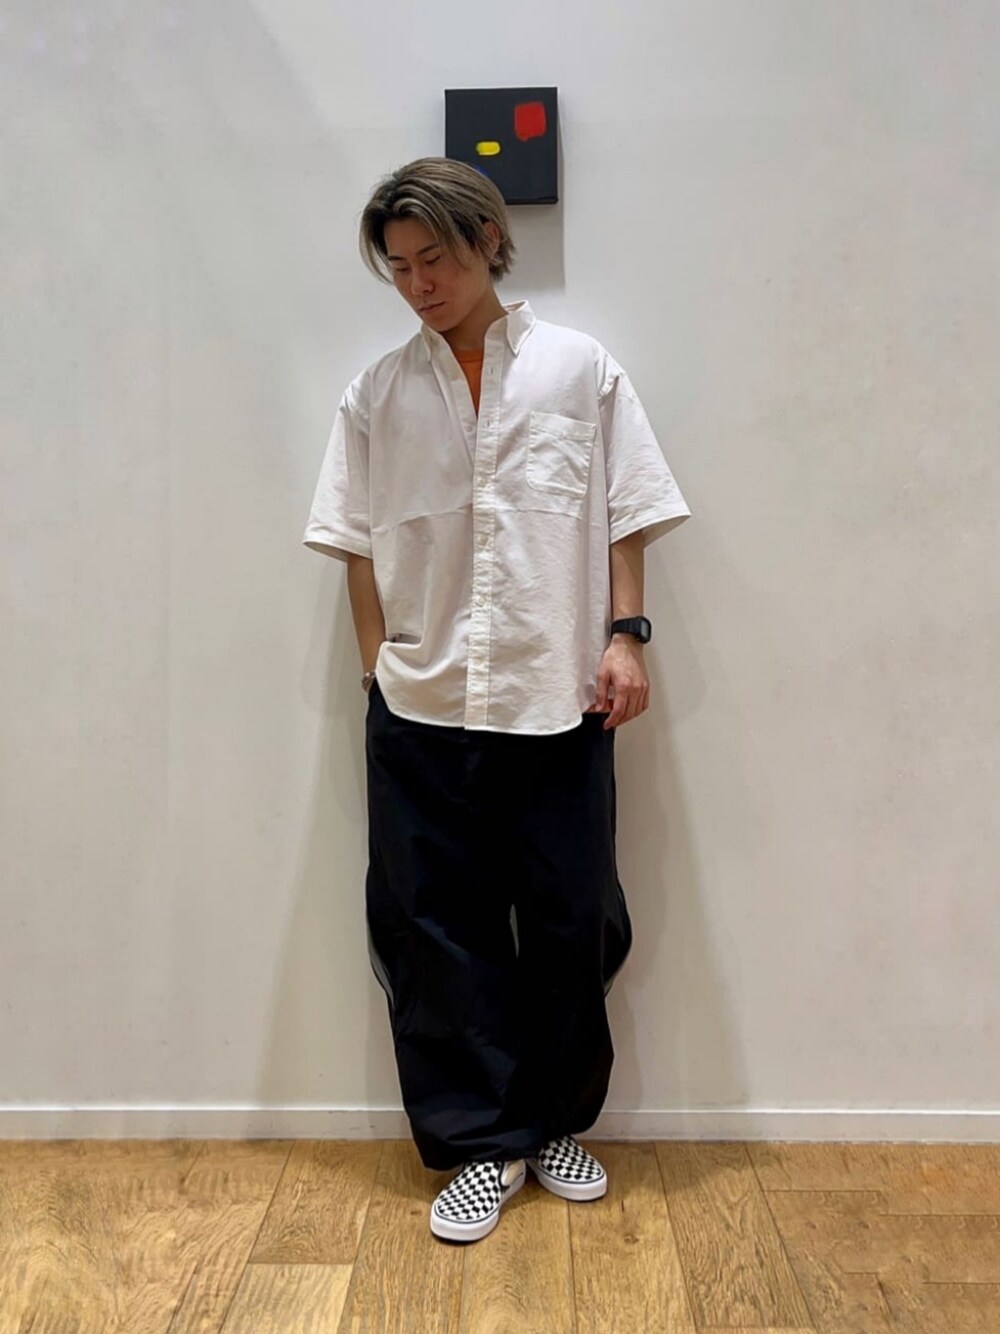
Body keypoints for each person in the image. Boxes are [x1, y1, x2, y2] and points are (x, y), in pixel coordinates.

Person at [303, 157, 691, 1243]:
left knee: (574, 918)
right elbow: (353, 543)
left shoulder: (579, 370)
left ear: (485, 242)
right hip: (420, 706)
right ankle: (481, 1142)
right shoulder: (376, 394)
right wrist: (376, 668)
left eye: (434, 258)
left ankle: (552, 1122)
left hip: (559, 697)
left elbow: (627, 510)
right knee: (432, 930)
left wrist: (625, 637)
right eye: (398, 267)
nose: (419, 284)